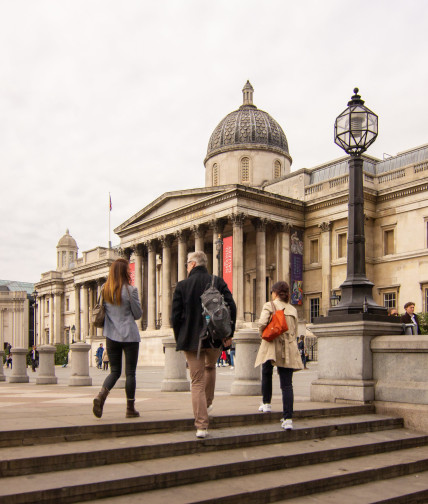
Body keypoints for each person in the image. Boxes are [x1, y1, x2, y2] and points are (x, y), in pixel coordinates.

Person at [171, 251, 236, 439]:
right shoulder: (218, 281)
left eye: (186, 264)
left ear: (192, 264)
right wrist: (229, 333)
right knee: (210, 367)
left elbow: (175, 316)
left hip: (192, 339)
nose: (186, 267)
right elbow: (232, 307)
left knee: (196, 381)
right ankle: (207, 403)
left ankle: (201, 425)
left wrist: (180, 337)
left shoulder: (182, 286)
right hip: (215, 336)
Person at [92, 258, 143, 419]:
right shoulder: (131, 290)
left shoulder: (104, 290)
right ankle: (130, 408)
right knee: (130, 373)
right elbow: (138, 314)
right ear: (125, 272)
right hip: (130, 335)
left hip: (111, 335)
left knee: (114, 371)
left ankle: (101, 396)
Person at [255, 281, 303, 430]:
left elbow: (262, 323)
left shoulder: (270, 305)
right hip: (288, 346)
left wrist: (263, 333)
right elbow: (294, 330)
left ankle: (266, 403)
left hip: (272, 344)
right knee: (287, 385)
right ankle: (288, 418)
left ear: (275, 293)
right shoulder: (293, 309)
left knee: (266, 372)